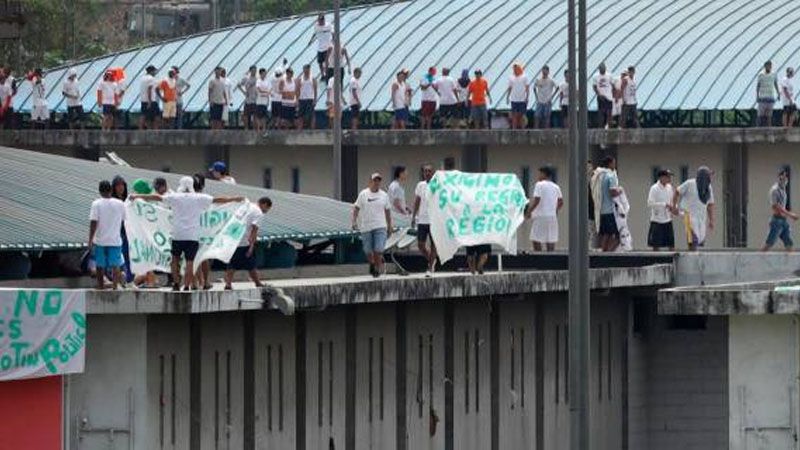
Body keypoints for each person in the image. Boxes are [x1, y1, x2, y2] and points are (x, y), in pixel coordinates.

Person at [130, 176, 244, 291]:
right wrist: (235, 199)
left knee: (175, 259)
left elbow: (157, 197)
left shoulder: (175, 197)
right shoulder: (198, 198)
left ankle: (175, 283)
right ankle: (187, 285)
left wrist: (137, 196)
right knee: (190, 262)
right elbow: (217, 200)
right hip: (192, 236)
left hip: (177, 235)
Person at [224, 197, 272, 290]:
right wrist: (251, 246)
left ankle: (228, 284)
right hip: (243, 241)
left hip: (233, 238)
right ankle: (257, 283)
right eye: (267, 209)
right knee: (250, 264)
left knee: (234, 263)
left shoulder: (248, 206)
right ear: (265, 204)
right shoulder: (258, 213)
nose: (266, 211)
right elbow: (254, 230)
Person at [352, 173, 392, 277]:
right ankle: (372, 263)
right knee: (368, 250)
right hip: (366, 227)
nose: (376, 182)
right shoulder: (363, 194)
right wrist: (354, 221)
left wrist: (390, 225)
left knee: (378, 249)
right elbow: (356, 208)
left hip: (380, 226)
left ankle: (377, 269)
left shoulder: (384, 195)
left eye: (378, 180)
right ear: (370, 182)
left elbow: (387, 211)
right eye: (375, 180)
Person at [89, 180, 126, 290]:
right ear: (111, 190)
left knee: (100, 265)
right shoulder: (120, 204)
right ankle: (115, 287)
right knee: (116, 265)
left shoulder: (96, 204)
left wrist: (90, 239)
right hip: (115, 240)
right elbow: (124, 219)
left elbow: (93, 222)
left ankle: (101, 287)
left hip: (100, 240)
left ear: (100, 191)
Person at [673, 166, 715, 251]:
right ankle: (691, 255)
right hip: (689, 215)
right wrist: (674, 206)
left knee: (701, 240)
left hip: (701, 217)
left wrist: (711, 220)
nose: (711, 177)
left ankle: (697, 256)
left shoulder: (708, 188)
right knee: (692, 239)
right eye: (709, 175)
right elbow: (677, 191)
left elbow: (710, 204)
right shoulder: (690, 183)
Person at [526, 165, 563, 251]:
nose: (538, 176)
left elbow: (537, 200)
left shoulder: (539, 185)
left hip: (540, 216)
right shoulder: (556, 187)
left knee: (536, 239)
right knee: (550, 239)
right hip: (552, 217)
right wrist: (554, 210)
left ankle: (538, 257)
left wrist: (529, 211)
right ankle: (551, 257)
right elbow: (561, 202)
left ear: (544, 174)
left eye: (540, 173)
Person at [762, 169, 797, 251]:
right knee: (769, 243)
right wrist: (790, 214)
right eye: (782, 177)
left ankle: (792, 258)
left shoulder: (783, 190)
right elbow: (776, 206)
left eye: (786, 178)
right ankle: (757, 258)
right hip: (777, 221)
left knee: (789, 243)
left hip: (783, 220)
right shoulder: (775, 190)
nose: (784, 180)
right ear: (779, 177)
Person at [591, 156, 621, 252]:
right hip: (610, 210)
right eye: (613, 163)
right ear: (610, 164)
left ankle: (604, 251)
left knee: (606, 234)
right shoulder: (610, 176)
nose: (614, 165)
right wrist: (620, 191)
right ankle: (609, 252)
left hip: (602, 210)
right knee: (618, 235)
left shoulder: (600, 176)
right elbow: (612, 192)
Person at [412, 165, 437, 276]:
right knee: (420, 245)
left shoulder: (437, 185)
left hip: (434, 220)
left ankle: (430, 268)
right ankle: (431, 260)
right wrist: (413, 216)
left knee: (433, 245)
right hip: (422, 220)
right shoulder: (420, 185)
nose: (427, 173)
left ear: (433, 173)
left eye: (429, 171)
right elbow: (417, 201)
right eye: (425, 171)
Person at [647, 169, 677, 251]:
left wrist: (674, 208)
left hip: (668, 219)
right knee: (656, 244)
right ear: (661, 177)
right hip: (657, 219)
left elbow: (671, 201)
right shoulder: (654, 188)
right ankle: (656, 257)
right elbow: (650, 203)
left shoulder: (669, 187)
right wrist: (664, 205)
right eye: (668, 177)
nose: (669, 179)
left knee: (671, 243)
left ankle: (672, 257)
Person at [505, 63, 529, 129]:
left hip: (522, 99)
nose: (515, 70)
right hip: (514, 99)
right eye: (514, 69)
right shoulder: (511, 77)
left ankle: (522, 129)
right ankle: (514, 129)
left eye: (516, 68)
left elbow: (527, 88)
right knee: (514, 115)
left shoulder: (524, 77)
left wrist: (527, 97)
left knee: (522, 115)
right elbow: (510, 88)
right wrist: (507, 97)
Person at [757, 61, 780, 127]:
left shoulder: (774, 74)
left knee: (769, 115)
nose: (769, 67)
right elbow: (758, 85)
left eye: (770, 66)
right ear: (765, 66)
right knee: (761, 115)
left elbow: (775, 84)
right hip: (762, 96)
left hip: (770, 96)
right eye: (768, 66)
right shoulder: (761, 74)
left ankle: (769, 128)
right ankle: (759, 128)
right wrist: (757, 96)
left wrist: (778, 93)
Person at [297, 64, 318, 130]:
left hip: (310, 98)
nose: (306, 70)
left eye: (308, 69)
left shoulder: (313, 78)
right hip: (302, 99)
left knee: (311, 115)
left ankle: (312, 129)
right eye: (305, 69)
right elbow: (298, 89)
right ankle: (300, 128)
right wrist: (297, 99)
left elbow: (315, 89)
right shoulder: (300, 79)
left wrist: (315, 99)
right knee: (300, 115)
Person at [139, 65, 160, 130]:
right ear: (151, 71)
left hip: (143, 99)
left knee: (144, 115)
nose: (155, 72)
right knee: (156, 116)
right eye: (154, 71)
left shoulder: (142, 78)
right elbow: (149, 89)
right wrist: (150, 101)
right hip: (151, 100)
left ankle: (141, 129)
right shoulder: (151, 79)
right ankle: (155, 130)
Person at [593, 63, 613, 129]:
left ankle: (608, 126)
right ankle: (601, 126)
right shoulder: (596, 76)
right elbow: (594, 87)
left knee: (609, 112)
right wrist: (599, 94)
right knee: (601, 112)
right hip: (601, 96)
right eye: (601, 69)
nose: (602, 70)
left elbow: (612, 85)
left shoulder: (609, 75)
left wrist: (613, 95)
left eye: (603, 68)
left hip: (609, 96)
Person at [238, 65, 258, 129]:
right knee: (246, 115)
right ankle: (246, 128)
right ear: (250, 71)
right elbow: (239, 85)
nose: (254, 72)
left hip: (255, 99)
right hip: (248, 99)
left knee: (255, 115)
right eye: (253, 70)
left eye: (255, 70)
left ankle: (255, 129)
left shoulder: (257, 78)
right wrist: (244, 92)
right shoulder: (246, 78)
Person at [255, 67, 271, 132]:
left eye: (265, 73)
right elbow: (259, 89)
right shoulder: (258, 81)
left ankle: (264, 128)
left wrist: (268, 97)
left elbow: (269, 90)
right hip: (259, 101)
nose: (265, 74)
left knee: (264, 116)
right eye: (264, 73)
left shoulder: (267, 81)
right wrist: (266, 92)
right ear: (261, 73)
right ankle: (259, 128)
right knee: (258, 116)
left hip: (265, 101)